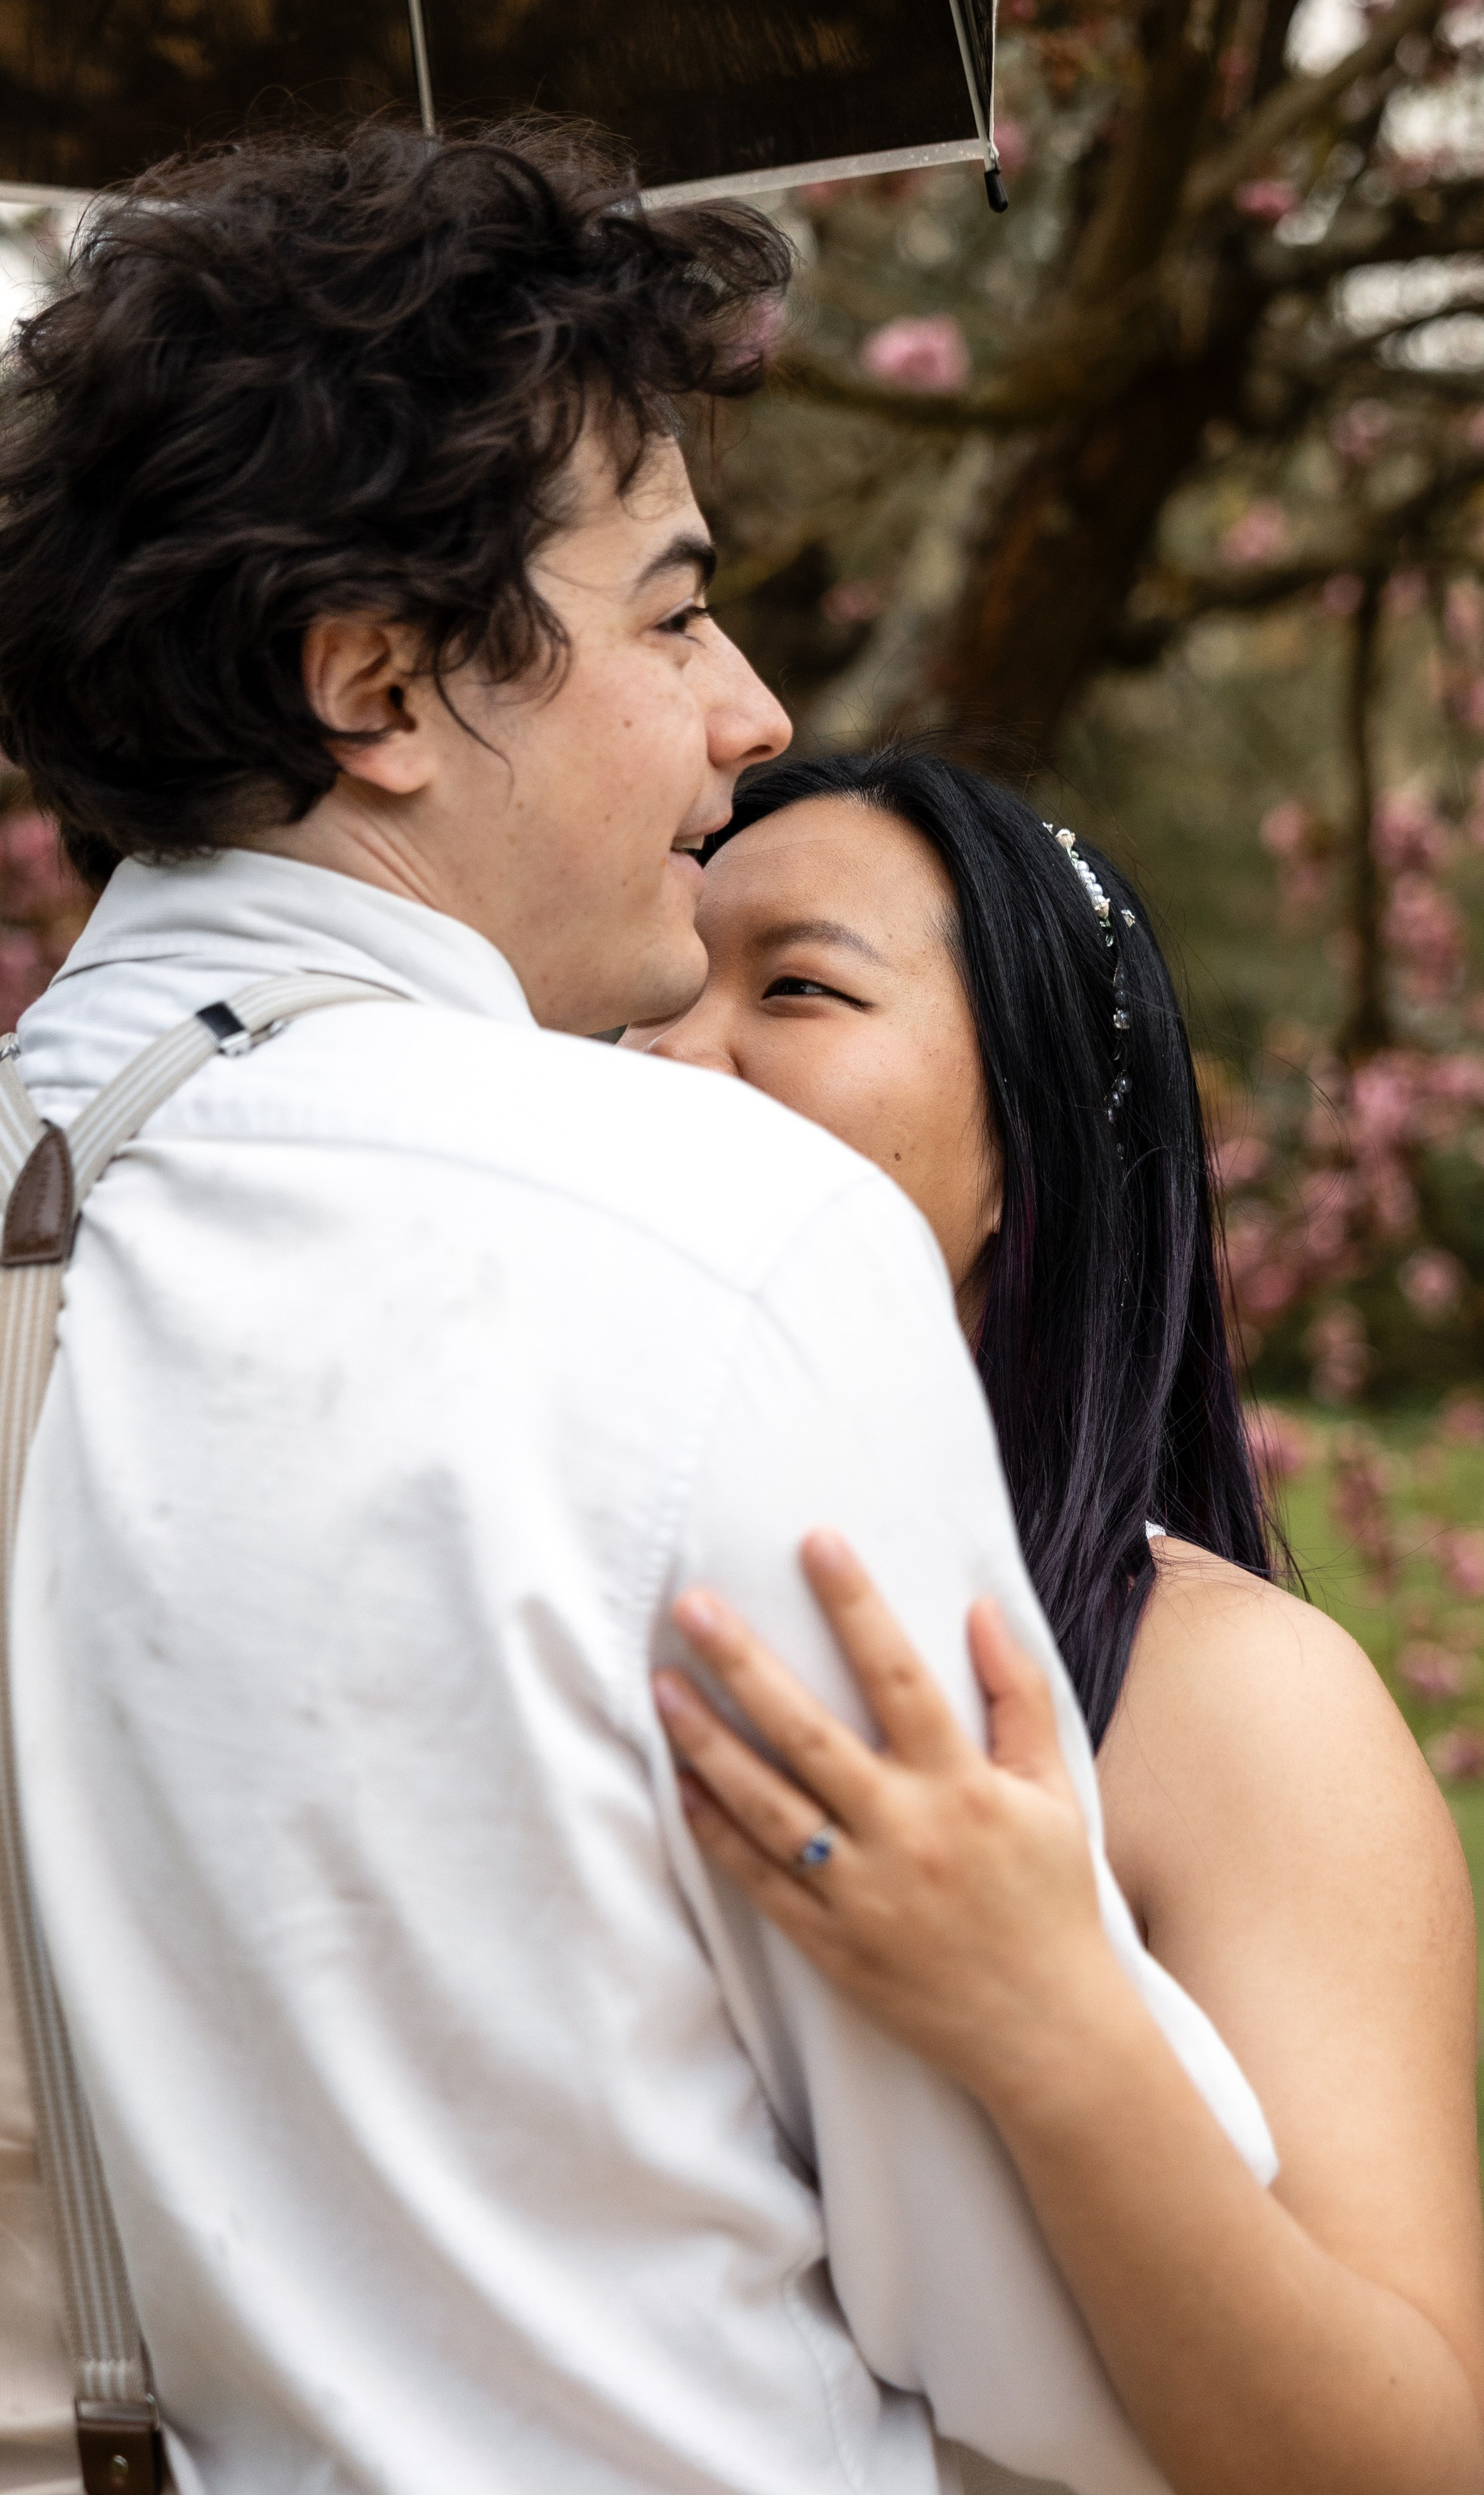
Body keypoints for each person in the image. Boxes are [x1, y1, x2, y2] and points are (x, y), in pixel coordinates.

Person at [0, 126, 1273, 2495]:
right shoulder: (710, 1245)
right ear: (378, 683)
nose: (754, 708)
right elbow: (1080, 2353)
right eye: (675, 614)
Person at [624, 752, 1484, 2495]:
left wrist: (1043, 2008)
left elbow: (1400, 2462)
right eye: (653, 985)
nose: (661, 1051)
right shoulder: (558, 1577)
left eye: (797, 985)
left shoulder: (1228, 1699)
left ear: (1026, 1145)